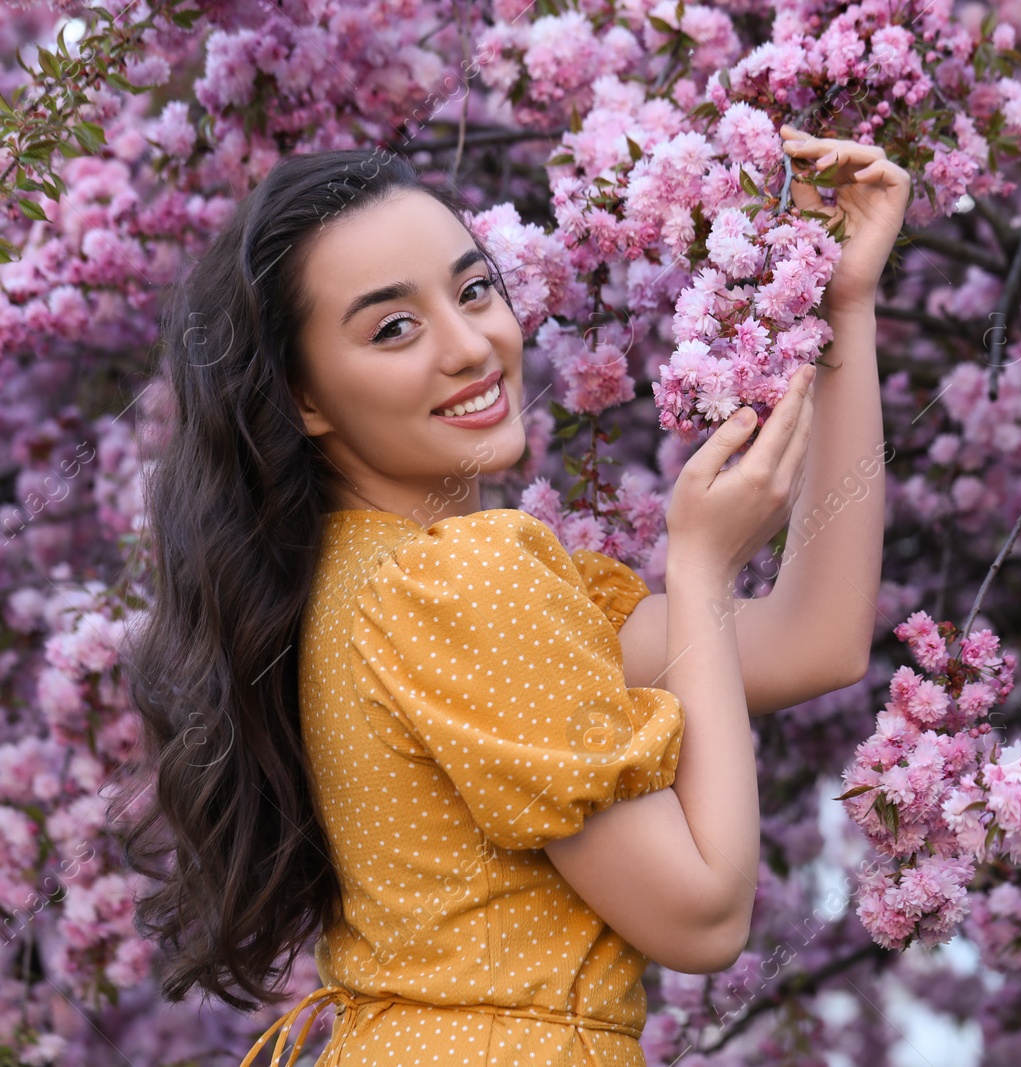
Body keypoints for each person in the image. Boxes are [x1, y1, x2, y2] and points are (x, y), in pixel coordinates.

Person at [110, 127, 910, 1067]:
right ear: (305, 398)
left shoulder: (359, 581)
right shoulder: (463, 581)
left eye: (474, 289)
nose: (469, 346)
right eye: (392, 328)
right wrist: (698, 568)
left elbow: (813, 642)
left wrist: (841, 306)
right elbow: (703, 915)